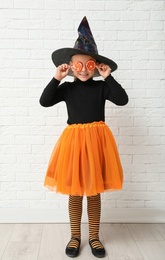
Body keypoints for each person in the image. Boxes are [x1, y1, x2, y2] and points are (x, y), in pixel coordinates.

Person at [39, 17, 128, 258]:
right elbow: (45, 101)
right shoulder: (67, 88)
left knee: (94, 192)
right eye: (77, 66)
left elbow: (122, 99)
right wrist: (57, 78)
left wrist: (108, 76)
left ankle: (95, 237)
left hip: (97, 143)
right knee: (76, 191)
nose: (84, 70)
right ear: (70, 67)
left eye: (89, 65)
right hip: (75, 144)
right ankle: (75, 235)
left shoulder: (101, 87)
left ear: (96, 66)